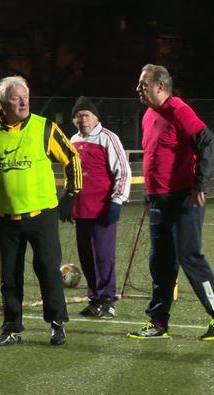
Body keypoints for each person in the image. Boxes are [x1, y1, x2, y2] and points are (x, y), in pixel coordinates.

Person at [0, 75, 82, 346]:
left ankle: (57, 323)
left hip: (42, 216)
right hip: (6, 220)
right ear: (3, 103)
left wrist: (71, 195)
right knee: (9, 278)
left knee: (49, 271)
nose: (24, 101)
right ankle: (11, 328)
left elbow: (71, 157)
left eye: (26, 96)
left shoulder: (44, 128)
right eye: (16, 98)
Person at [128, 64, 214, 341]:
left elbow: (208, 142)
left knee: (189, 257)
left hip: (183, 200)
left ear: (160, 87)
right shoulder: (149, 115)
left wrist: (200, 184)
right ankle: (158, 322)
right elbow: (154, 157)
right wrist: (149, 194)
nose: (138, 89)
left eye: (144, 84)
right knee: (160, 262)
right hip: (158, 201)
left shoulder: (178, 110)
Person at [69, 96, 132, 319]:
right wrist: (68, 201)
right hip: (82, 209)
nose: (82, 120)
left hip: (103, 208)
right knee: (86, 256)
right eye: (77, 117)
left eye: (85, 115)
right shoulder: (73, 140)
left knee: (104, 256)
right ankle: (94, 299)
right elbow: (72, 174)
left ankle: (108, 300)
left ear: (96, 117)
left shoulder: (108, 138)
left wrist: (117, 200)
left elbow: (123, 171)